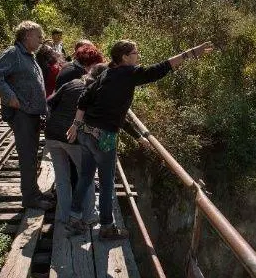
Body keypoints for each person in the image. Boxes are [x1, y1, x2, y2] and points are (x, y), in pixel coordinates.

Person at [66, 39, 214, 239]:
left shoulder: (106, 73)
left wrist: (76, 125)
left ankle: (73, 218)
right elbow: (161, 68)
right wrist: (191, 52)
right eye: (135, 53)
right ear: (125, 57)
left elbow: (83, 99)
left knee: (85, 177)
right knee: (107, 182)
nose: (138, 56)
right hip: (104, 137)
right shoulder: (129, 73)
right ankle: (107, 227)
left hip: (86, 132)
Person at [0, 20, 52, 210]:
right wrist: (10, 96)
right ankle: (30, 198)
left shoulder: (28, 55)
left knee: (31, 155)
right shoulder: (13, 53)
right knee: (27, 155)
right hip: (22, 113)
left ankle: (34, 192)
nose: (41, 40)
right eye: (38, 36)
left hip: (31, 113)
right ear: (27, 36)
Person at [45, 44, 107, 225]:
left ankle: (65, 216)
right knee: (85, 177)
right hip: (72, 137)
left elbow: (50, 102)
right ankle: (89, 216)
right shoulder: (97, 92)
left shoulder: (72, 83)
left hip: (52, 135)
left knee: (62, 178)